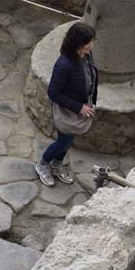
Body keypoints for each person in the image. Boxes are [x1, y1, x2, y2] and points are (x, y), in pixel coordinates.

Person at [36, 22, 98, 187]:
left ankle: (56, 165)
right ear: (77, 43)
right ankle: (43, 164)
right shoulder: (64, 65)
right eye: (88, 42)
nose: (91, 45)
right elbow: (53, 93)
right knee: (63, 142)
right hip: (69, 111)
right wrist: (80, 108)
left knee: (68, 142)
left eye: (91, 41)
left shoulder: (85, 55)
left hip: (78, 108)